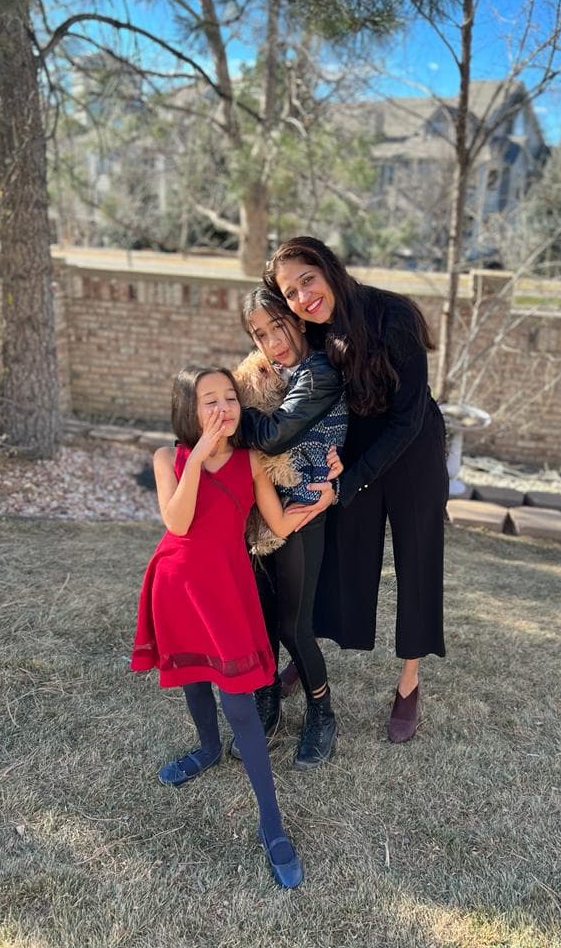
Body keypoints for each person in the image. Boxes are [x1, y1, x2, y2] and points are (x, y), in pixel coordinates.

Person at [131, 364, 334, 888]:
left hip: (226, 589)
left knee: (240, 704)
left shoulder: (252, 461)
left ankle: (272, 825)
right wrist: (200, 453)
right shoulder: (167, 458)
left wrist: (319, 500)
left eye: (230, 397)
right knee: (193, 678)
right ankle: (205, 748)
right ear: (189, 408)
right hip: (177, 585)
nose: (223, 408)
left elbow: (277, 523)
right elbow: (177, 522)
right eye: (210, 400)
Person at [262, 236, 448, 744]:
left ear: (329, 269)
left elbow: (407, 418)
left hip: (413, 448)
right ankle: (308, 650)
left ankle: (409, 681)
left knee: (417, 561)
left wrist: (349, 480)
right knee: (340, 555)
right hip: (352, 449)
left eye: (307, 280)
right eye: (291, 292)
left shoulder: (394, 315)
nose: (303, 297)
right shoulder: (312, 330)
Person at [237, 287, 347, 770]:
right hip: (259, 510)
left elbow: (272, 435)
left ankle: (322, 712)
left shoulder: (318, 371)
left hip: (302, 508)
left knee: (293, 626)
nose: (272, 342)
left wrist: (228, 413)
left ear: (298, 321)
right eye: (259, 335)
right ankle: (267, 698)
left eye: (277, 326)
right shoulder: (272, 373)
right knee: (260, 616)